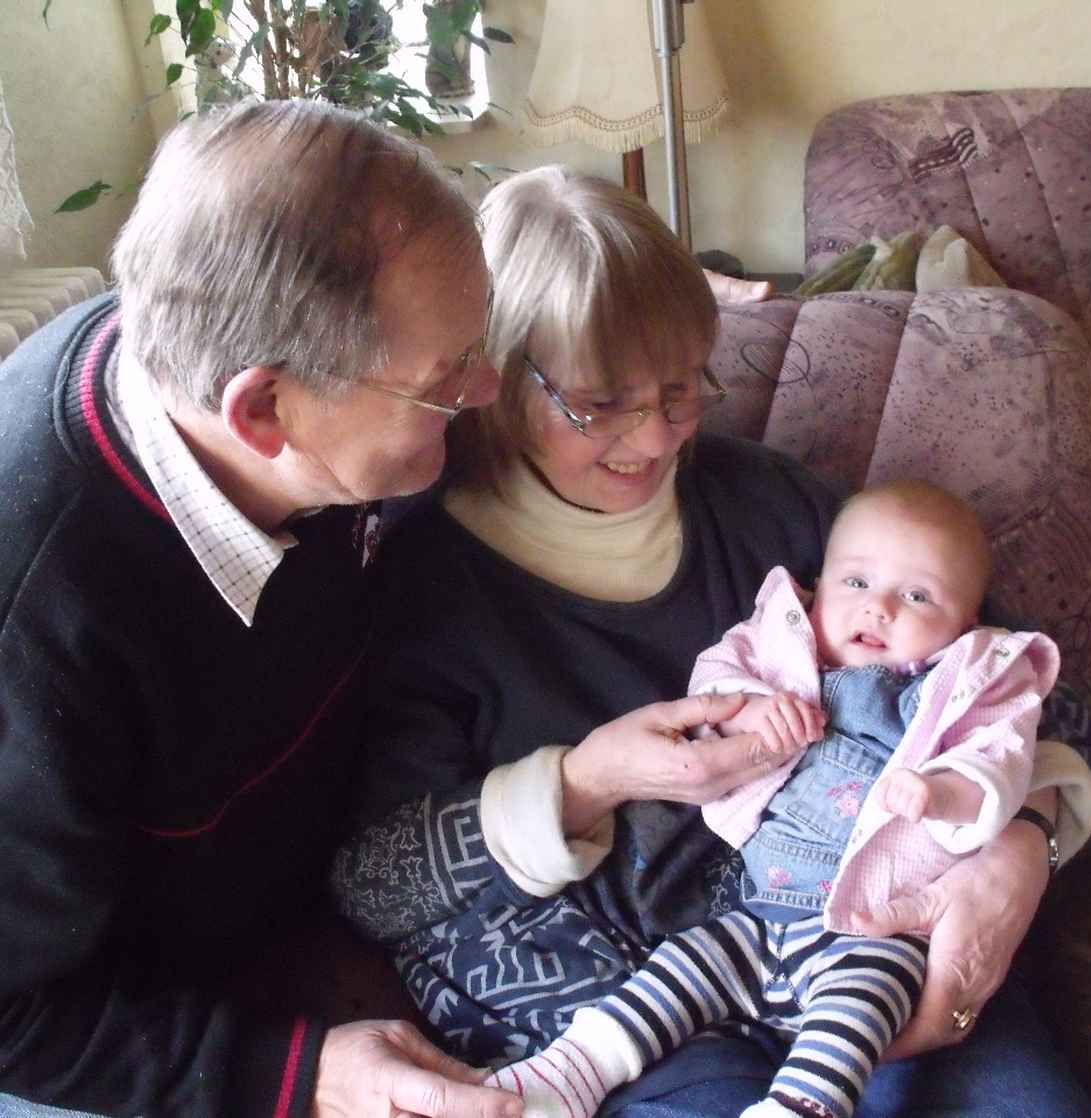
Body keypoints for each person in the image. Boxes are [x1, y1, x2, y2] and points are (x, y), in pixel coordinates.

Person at [2, 102, 796, 1118]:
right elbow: (15, 1015)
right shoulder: (37, 614)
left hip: (316, 915)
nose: (487, 391)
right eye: (444, 380)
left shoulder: (273, 374)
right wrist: (293, 1075)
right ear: (263, 410)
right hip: (137, 1032)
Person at [334, 166, 1091, 1117]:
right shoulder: (422, 581)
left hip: (870, 939)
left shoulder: (772, 503)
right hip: (614, 999)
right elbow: (373, 885)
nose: (656, 439)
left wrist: (1024, 845)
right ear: (493, 379)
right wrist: (585, 781)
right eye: (599, 402)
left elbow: (1033, 687)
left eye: (680, 388)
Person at [481, 481, 1068, 1118]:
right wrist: (747, 712)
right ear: (819, 587)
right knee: (681, 966)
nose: (878, 609)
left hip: (873, 926)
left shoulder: (966, 686)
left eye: (917, 596)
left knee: (861, 1005)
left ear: (967, 625)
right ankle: (569, 1073)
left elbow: (1000, 760)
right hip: (757, 910)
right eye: (856, 582)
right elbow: (714, 680)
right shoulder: (778, 639)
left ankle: (801, 1105)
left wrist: (942, 791)